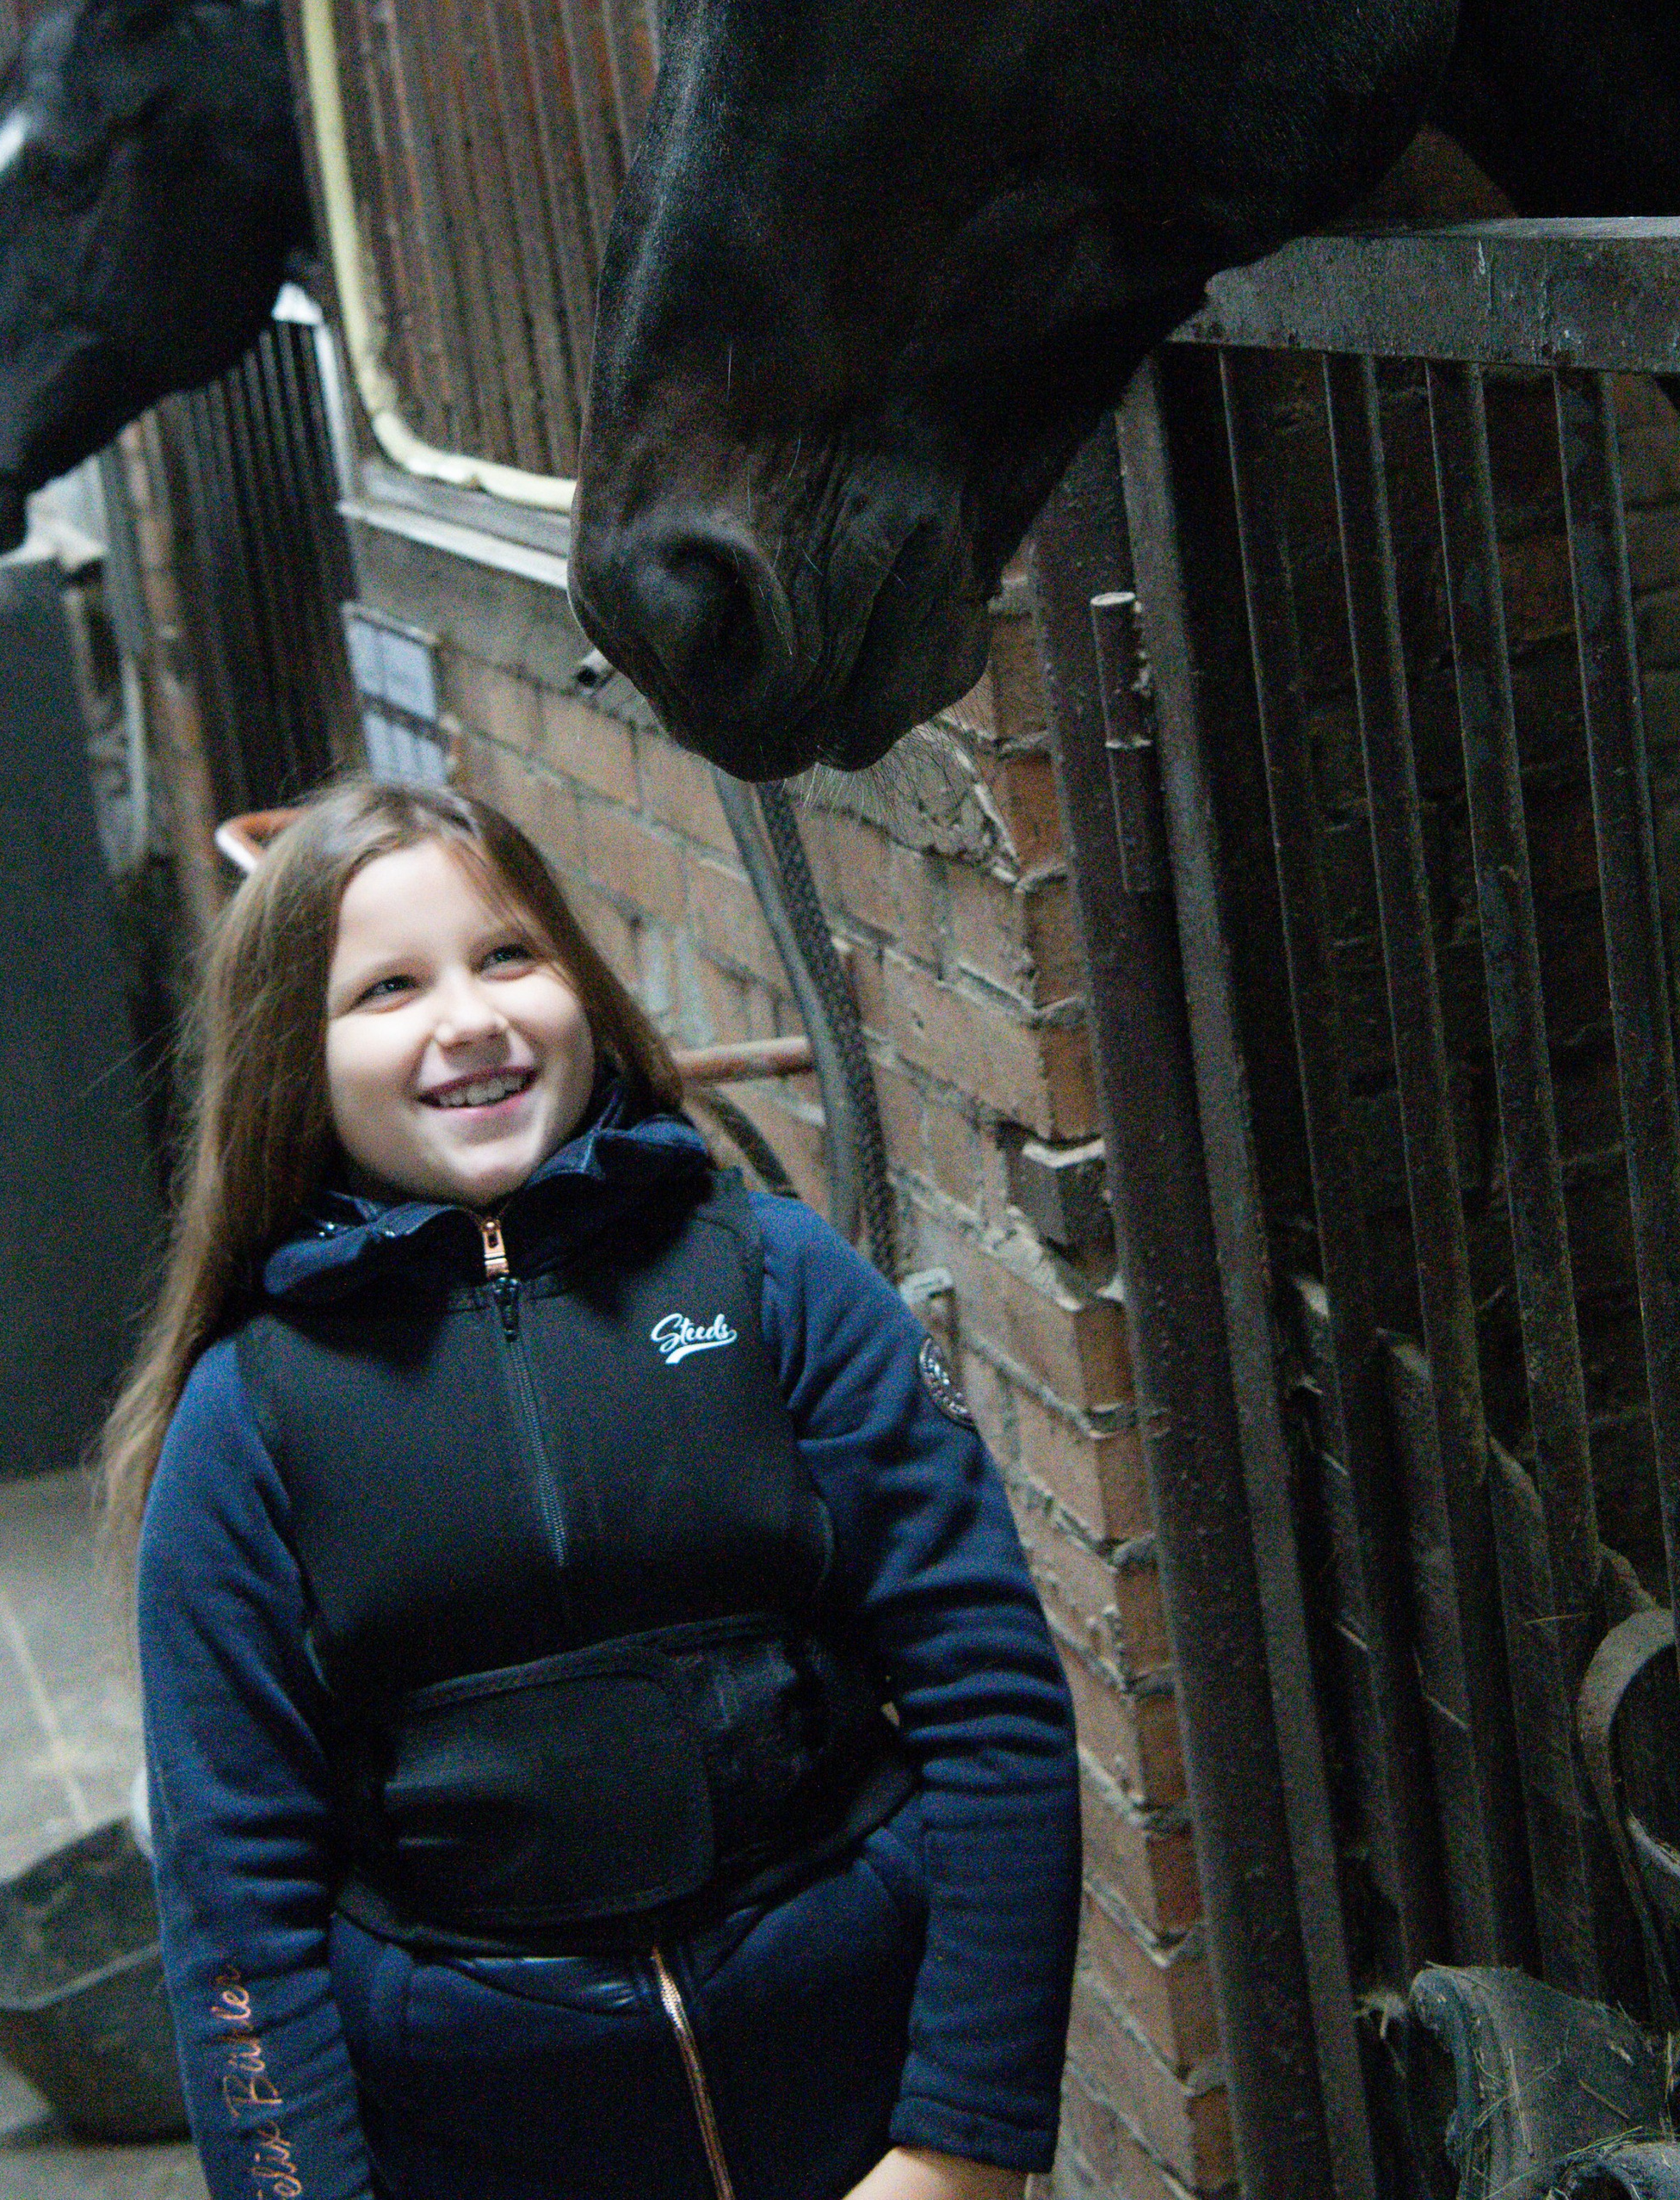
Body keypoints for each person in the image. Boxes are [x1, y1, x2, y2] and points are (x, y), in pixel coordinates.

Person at [106, 777, 1082, 2200]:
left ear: (581, 980)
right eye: (387, 987)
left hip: (866, 2123)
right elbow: (234, 1906)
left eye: (509, 957)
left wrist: (960, 2146)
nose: (471, 1018)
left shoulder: (781, 1281)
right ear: (288, 1060)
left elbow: (991, 1700)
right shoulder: (245, 1423)